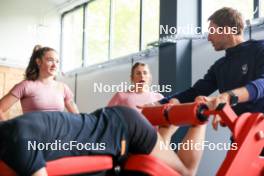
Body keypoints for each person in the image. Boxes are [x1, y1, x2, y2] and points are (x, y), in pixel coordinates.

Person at [0, 106, 206, 176]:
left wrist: (196, 116)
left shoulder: (17, 141)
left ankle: (200, 121)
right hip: (112, 123)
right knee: (160, 158)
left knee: (184, 173)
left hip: (126, 129)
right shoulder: (10, 132)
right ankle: (164, 135)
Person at [149, 7, 264, 130]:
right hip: (241, 136)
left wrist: (227, 97)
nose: (209, 38)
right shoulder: (220, 66)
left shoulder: (260, 49)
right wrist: (158, 104)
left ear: (225, 30)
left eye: (212, 31)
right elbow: (195, 92)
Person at [0, 45, 79, 120]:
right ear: (38, 62)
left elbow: (77, 118)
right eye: (50, 60)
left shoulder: (63, 87)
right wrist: (8, 130)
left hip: (57, 134)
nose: (55, 65)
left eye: (57, 61)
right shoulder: (25, 86)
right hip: (32, 134)